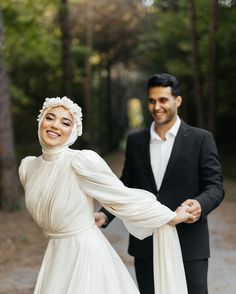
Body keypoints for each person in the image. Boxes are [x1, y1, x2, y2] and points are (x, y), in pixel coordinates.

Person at [18, 96, 194, 294]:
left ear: (73, 131)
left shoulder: (81, 161)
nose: (55, 125)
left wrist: (170, 216)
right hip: (55, 256)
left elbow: (122, 197)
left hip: (85, 257)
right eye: (50, 118)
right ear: (40, 121)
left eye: (65, 122)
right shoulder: (28, 167)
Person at [96, 73, 224, 294]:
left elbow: (215, 186)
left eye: (163, 100)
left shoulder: (201, 139)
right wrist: (105, 214)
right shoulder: (136, 141)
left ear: (178, 101)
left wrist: (199, 204)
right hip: (146, 243)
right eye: (152, 100)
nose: (157, 106)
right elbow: (126, 186)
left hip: (189, 243)